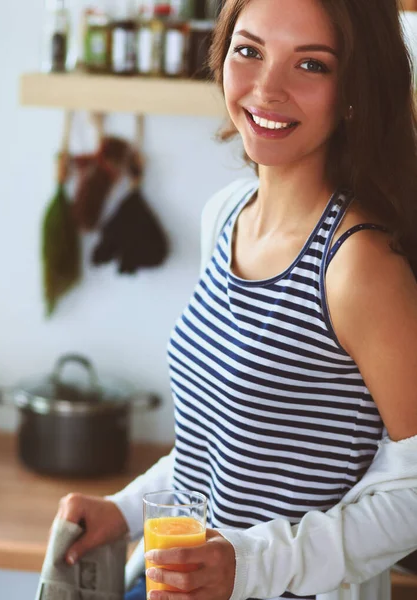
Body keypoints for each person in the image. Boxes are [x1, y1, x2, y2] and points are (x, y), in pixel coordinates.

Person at [55, 0, 417, 599]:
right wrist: (123, 510)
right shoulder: (226, 214)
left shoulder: (357, 265)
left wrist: (250, 565)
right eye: (248, 51)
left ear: (355, 87)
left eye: (312, 65)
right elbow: (221, 443)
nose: (267, 88)